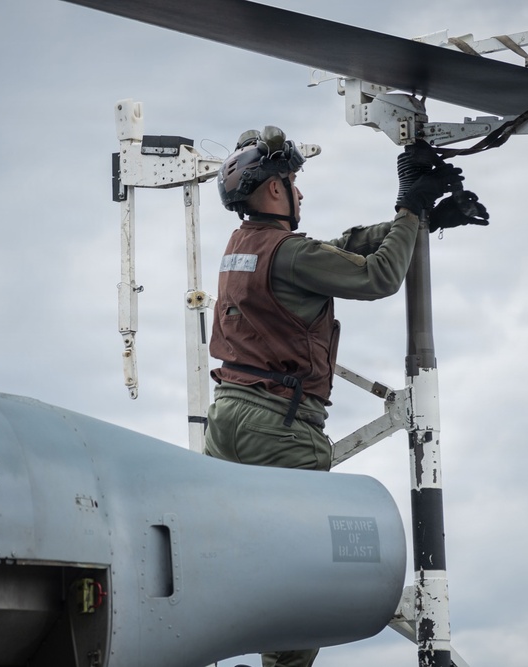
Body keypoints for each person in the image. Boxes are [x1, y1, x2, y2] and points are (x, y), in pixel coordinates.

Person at [204, 126, 485, 667]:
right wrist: (408, 211)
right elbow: (378, 276)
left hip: (229, 421)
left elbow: (333, 250)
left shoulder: (245, 247)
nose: (300, 192)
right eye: (293, 181)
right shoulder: (287, 252)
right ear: (273, 190)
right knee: (307, 584)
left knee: (242, 564)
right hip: (277, 431)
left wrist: (420, 219)